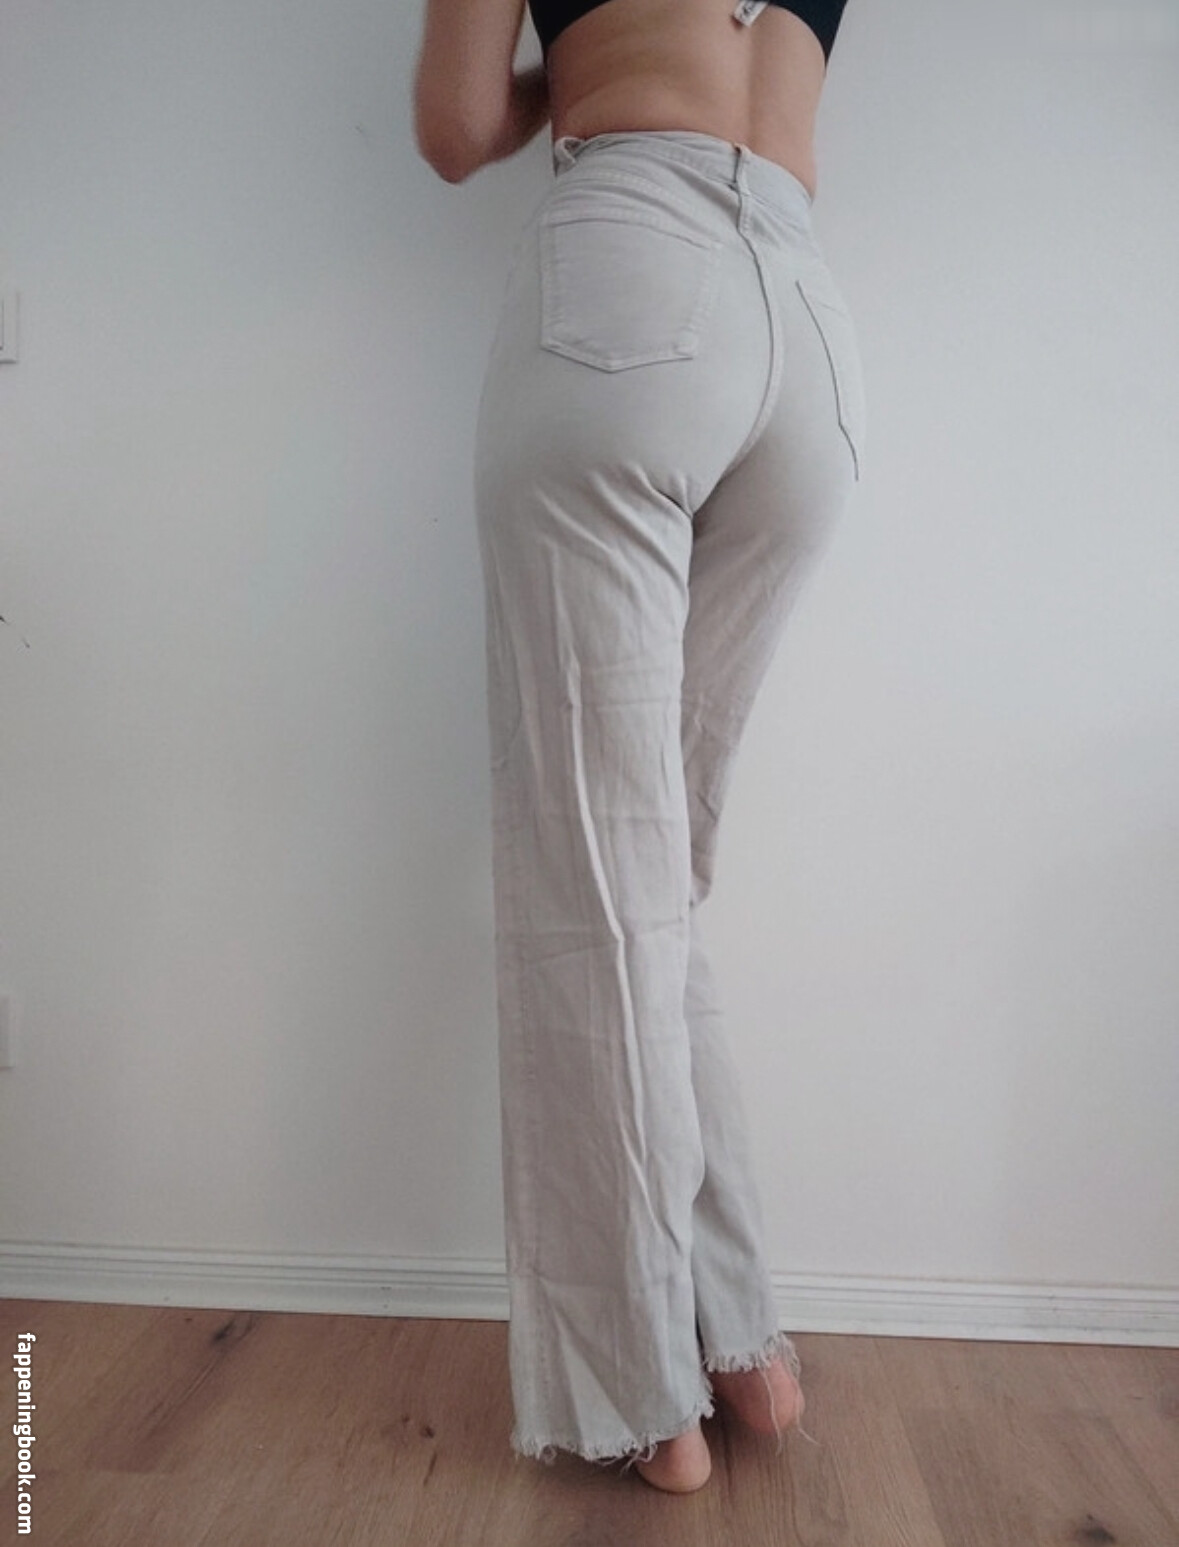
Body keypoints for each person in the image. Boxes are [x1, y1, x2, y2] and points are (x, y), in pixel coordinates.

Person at [414, 0, 863, 1495]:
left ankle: (643, 1394)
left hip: (630, 281)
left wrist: (575, 63)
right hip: (806, 332)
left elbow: (456, 127)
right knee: (649, 878)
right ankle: (740, 1342)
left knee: (593, 882)